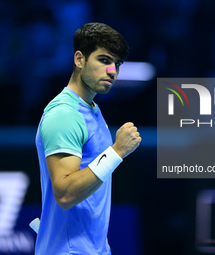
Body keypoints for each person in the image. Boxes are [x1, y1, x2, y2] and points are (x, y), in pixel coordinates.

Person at [34, 22, 141, 255]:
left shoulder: (91, 109)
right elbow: (64, 193)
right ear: (79, 59)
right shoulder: (65, 114)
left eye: (117, 64)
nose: (113, 70)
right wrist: (117, 152)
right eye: (104, 60)